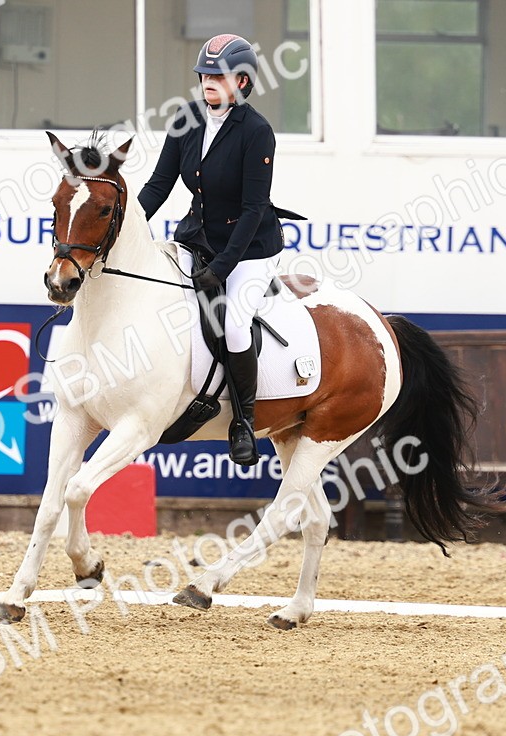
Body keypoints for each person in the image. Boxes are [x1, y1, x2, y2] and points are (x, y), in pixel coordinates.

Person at [138, 34, 293, 467]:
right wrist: (126, 227)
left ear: (241, 81)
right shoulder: (185, 118)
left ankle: (243, 421)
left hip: (249, 249)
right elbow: (158, 185)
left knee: (237, 322)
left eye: (217, 75)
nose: (208, 81)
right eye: (204, 74)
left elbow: (253, 208)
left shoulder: (257, 131)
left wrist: (223, 267)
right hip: (198, 237)